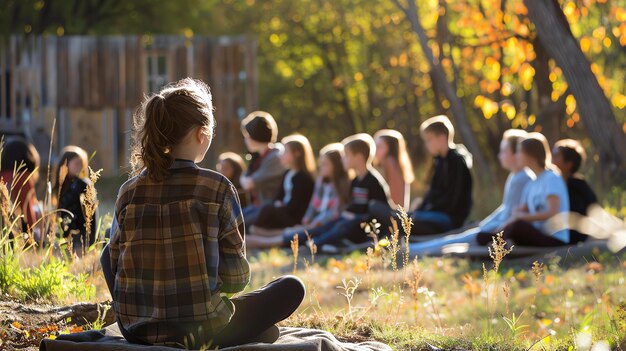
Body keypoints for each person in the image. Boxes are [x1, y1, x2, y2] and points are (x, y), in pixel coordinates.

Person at [100, 78, 304, 349]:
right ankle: (223, 335)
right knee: (291, 287)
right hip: (203, 324)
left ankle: (219, 331)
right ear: (201, 133)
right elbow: (237, 278)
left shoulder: (129, 190)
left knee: (106, 249)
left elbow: (111, 261)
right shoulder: (217, 188)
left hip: (137, 330)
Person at [409, 129, 532, 253]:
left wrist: (491, 228)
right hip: (496, 225)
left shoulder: (522, 178)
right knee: (458, 237)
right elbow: (506, 208)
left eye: (504, 151)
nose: (500, 155)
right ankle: (415, 248)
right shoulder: (515, 176)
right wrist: (485, 223)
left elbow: (511, 214)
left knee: (459, 239)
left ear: (517, 154)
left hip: (500, 229)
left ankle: (415, 250)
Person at [277, 134, 390, 248]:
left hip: (366, 227)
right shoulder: (356, 181)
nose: (343, 160)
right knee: (332, 224)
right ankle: (304, 240)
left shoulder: (373, 182)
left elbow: (376, 212)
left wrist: (355, 217)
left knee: (342, 226)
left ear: (358, 157)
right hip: (354, 222)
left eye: (346, 156)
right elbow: (354, 205)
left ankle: (315, 244)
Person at [371, 115, 473, 237]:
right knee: (394, 216)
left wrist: (422, 212)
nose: (427, 145)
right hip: (434, 214)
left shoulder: (457, 161)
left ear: (442, 138)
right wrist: (420, 209)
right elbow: (432, 192)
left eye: (429, 140)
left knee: (399, 219)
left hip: (449, 218)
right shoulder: (439, 161)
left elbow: (452, 200)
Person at [246, 143, 351, 248]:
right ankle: (260, 235)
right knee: (262, 208)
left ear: (336, 166)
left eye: (325, 164)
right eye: (321, 163)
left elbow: (334, 213)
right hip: (313, 223)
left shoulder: (341, 186)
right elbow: (313, 206)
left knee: (298, 232)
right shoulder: (321, 183)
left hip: (323, 224)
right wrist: (306, 222)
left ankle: (263, 241)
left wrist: (313, 224)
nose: (320, 166)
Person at [476, 132, 570, 247]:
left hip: (554, 237)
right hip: (537, 233)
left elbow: (552, 212)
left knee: (519, 226)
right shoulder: (531, 184)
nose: (517, 156)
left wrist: (522, 217)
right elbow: (520, 211)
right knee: (481, 237)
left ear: (531, 155)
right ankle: (499, 240)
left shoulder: (551, 178)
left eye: (520, 152)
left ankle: (500, 243)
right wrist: (499, 229)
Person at [249, 134, 315, 230]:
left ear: (297, 154)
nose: (281, 155)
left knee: (268, 209)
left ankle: (251, 229)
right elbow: (279, 195)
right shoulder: (287, 173)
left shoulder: (302, 178)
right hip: (283, 211)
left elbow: (295, 206)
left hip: (293, 218)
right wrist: (277, 203)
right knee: (259, 208)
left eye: (285, 152)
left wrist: (279, 206)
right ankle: (246, 228)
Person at [239, 111, 285, 224]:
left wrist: (245, 178)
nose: (245, 140)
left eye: (247, 136)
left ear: (256, 136)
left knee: (239, 224)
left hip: (270, 209)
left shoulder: (275, 157)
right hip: (259, 206)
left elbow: (248, 184)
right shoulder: (259, 157)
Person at [552, 139, 598, 243]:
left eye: (556, 155)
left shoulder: (577, 186)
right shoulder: (551, 183)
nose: (551, 159)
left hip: (574, 236)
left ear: (569, 164)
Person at [52, 145, 96, 255]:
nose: (79, 167)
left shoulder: (83, 184)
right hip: (64, 233)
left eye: (81, 164)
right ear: (66, 164)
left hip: (81, 232)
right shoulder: (60, 186)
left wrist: (91, 237)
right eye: (76, 163)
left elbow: (93, 213)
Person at [0, 137, 43, 242]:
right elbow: (27, 211)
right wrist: (35, 236)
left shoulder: (2, 175)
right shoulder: (23, 177)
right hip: (14, 235)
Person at [373, 129, 415, 210]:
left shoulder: (390, 162)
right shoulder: (400, 164)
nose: (375, 150)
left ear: (390, 149)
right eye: (375, 146)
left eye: (379, 146)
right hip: (401, 213)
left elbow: (394, 198)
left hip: (394, 213)